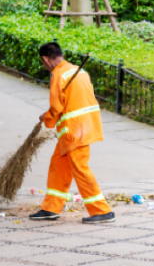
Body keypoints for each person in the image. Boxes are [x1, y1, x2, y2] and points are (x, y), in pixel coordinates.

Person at [28, 42, 115, 224]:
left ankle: (102, 210)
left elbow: (56, 107)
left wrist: (46, 118)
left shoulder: (58, 75)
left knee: (80, 169)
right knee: (58, 166)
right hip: (83, 127)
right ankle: (51, 208)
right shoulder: (77, 71)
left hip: (74, 131)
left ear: (45, 59)